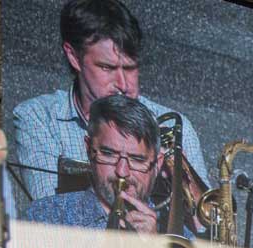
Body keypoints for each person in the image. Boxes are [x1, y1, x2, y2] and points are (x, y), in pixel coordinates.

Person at [12, 0, 206, 202]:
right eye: (107, 67)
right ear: (74, 57)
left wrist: (181, 179)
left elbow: (206, 227)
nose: (123, 84)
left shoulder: (173, 126)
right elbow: (49, 212)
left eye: (130, 68)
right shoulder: (38, 117)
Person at [25, 94, 163, 233]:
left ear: (157, 164)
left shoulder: (179, 235)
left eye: (137, 160)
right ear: (88, 148)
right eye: (108, 154)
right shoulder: (45, 216)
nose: (121, 172)